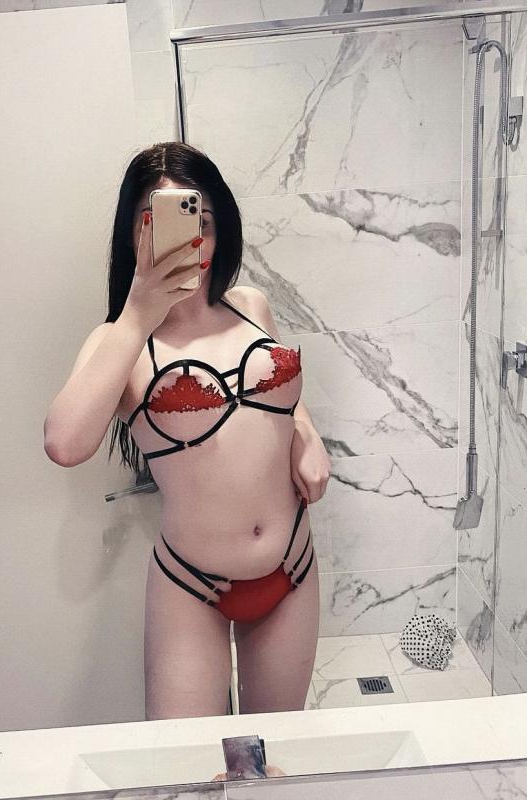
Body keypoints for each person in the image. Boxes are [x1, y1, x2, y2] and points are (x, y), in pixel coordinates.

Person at [44, 142, 330, 720]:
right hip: (191, 586)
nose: (191, 241)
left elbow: (281, 400)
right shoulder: (117, 342)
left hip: (293, 565)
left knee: (274, 754)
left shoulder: (251, 305)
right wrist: (138, 313)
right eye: (164, 223)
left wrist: (308, 435)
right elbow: (65, 444)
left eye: (204, 222)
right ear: (134, 234)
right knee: (186, 761)